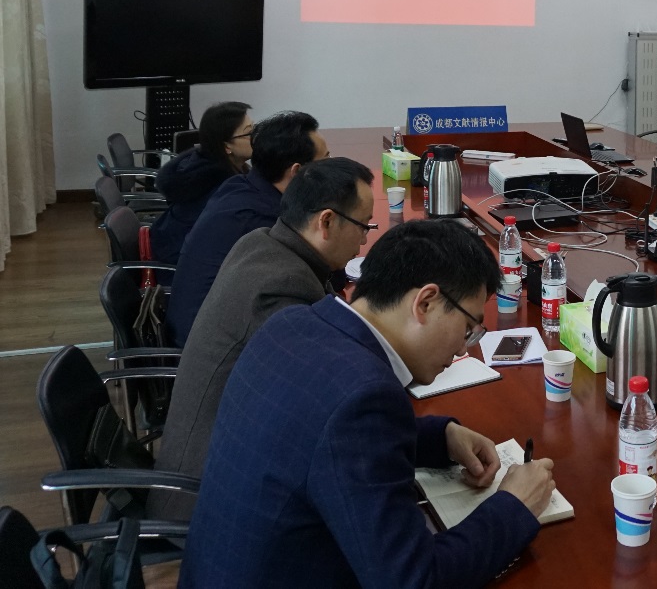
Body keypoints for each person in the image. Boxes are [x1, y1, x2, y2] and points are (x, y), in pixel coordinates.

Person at [179, 221, 556, 589]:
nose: (463, 349)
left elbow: (323, 439)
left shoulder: (291, 323)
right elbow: (415, 579)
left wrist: (440, 438)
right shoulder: (365, 398)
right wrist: (515, 505)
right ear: (425, 302)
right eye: (468, 328)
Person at [148, 157, 375, 521]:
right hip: (206, 500)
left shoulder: (262, 242)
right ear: (327, 221)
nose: (364, 240)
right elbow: (326, 396)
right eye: (363, 226)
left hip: (215, 457)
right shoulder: (282, 287)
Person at [165, 110, 328, 347]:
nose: (332, 170)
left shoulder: (239, 185)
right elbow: (314, 283)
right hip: (211, 347)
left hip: (200, 324)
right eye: (325, 162)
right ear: (296, 172)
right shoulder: (264, 222)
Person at [149, 102, 253, 265]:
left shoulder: (212, 166)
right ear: (226, 146)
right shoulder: (218, 187)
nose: (256, 137)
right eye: (249, 133)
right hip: (178, 263)